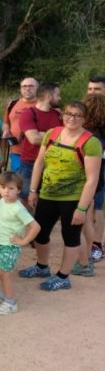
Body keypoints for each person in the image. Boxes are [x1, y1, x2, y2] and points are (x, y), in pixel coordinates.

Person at [19, 101, 102, 290]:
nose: (72, 118)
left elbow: (92, 179)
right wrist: (33, 190)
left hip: (73, 198)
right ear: (62, 115)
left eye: (77, 115)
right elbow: (39, 162)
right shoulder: (52, 133)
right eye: (68, 114)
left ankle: (63, 276)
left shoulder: (90, 142)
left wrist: (82, 208)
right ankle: (42, 266)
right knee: (39, 232)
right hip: (48, 193)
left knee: (70, 236)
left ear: (85, 119)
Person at [0, 172, 40, 315]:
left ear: (19, 190)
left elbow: (35, 227)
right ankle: (3, 294)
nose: (6, 191)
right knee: (1, 271)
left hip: (10, 246)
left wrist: (24, 241)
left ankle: (10, 302)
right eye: (3, 187)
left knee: (5, 273)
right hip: (0, 243)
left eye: (11, 188)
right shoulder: (2, 201)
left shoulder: (18, 208)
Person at [18, 82, 62, 200]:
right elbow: (34, 139)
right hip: (29, 163)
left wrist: (43, 133)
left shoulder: (58, 115)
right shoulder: (28, 113)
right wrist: (55, 135)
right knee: (26, 197)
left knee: (48, 198)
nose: (60, 98)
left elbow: (66, 138)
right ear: (48, 96)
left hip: (52, 163)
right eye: (58, 95)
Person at [84, 92, 105, 262]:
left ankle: (89, 246)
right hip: (99, 172)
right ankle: (96, 245)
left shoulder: (83, 130)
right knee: (97, 208)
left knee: (88, 209)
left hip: (83, 172)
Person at [2, 77, 39, 171]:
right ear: (20, 89)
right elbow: (6, 122)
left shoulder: (43, 105)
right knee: (17, 181)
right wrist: (6, 130)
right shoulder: (12, 104)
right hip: (16, 151)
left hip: (37, 152)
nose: (27, 88)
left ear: (37, 88)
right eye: (24, 86)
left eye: (31, 86)